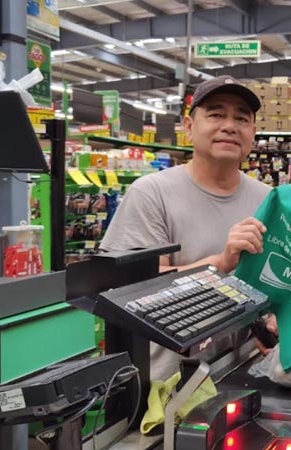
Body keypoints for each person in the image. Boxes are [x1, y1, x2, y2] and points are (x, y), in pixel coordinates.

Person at [100, 75, 271, 380]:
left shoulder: (267, 200)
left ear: (253, 134)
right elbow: (127, 289)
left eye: (241, 118)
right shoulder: (151, 193)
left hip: (243, 369)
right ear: (189, 128)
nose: (229, 126)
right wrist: (219, 264)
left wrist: (276, 318)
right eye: (216, 114)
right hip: (167, 385)